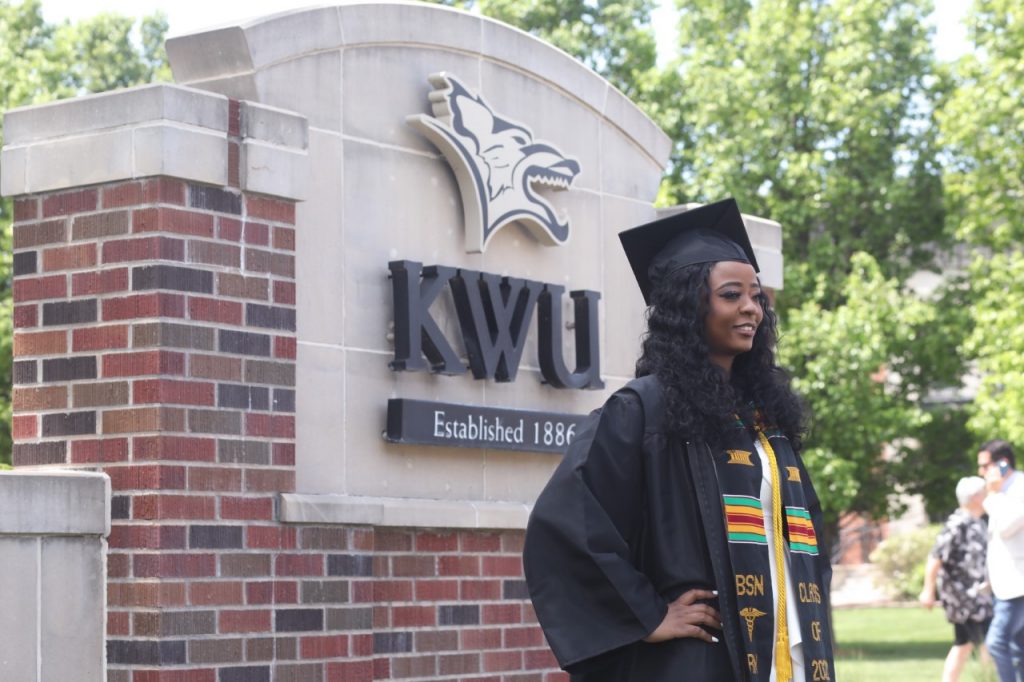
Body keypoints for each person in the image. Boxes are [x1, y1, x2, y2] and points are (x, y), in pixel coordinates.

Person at [523, 199, 834, 681]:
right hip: (704, 660)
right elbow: (568, 523)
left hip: (788, 657)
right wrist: (647, 615)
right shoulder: (644, 410)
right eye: (731, 295)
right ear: (689, 306)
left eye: (756, 296)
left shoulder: (763, 418)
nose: (751, 307)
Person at [918, 475, 993, 682]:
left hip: (978, 596)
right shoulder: (958, 524)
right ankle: (992, 677)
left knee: (966, 643)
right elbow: (935, 557)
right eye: (985, 493)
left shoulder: (978, 523)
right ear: (976, 497)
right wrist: (928, 590)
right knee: (988, 641)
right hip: (965, 598)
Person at [978, 439, 1024, 682]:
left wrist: (993, 494)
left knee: (996, 643)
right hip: (1005, 586)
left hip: (1018, 586)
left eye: (985, 466)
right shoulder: (1003, 493)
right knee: (1019, 649)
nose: (981, 473)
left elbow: (1008, 527)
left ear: (1003, 465)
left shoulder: (1020, 489)